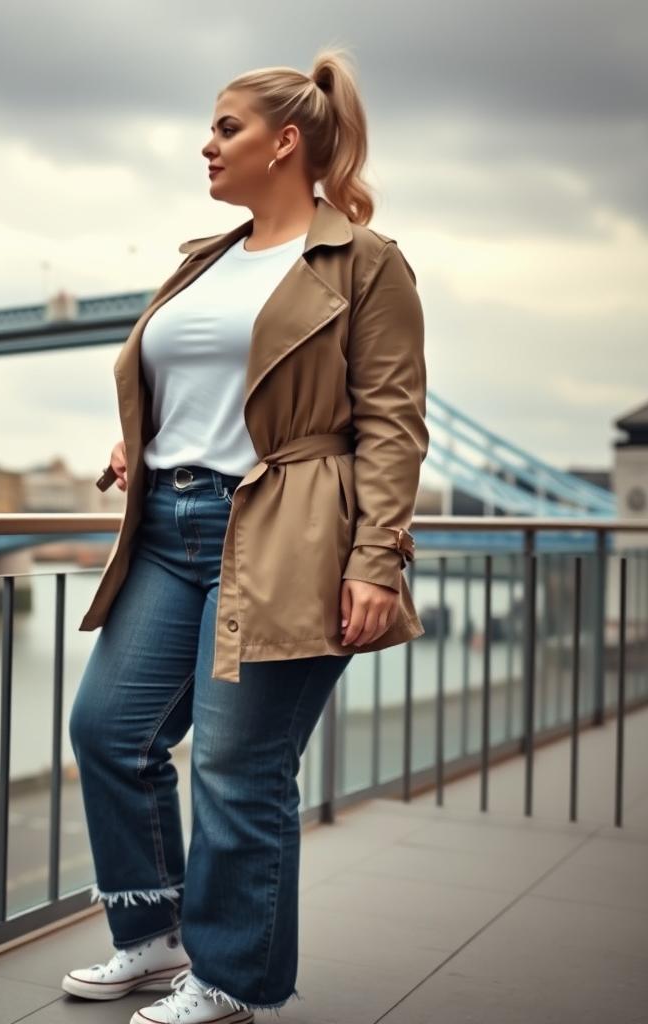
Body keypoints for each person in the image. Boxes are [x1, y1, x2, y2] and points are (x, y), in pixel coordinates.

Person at [62, 45, 429, 1024]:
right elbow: (201, 379)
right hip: (168, 522)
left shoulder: (365, 264)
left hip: (282, 529)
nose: (204, 146)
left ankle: (230, 976)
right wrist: (139, 440)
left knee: (238, 763)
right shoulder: (205, 259)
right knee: (107, 728)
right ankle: (151, 935)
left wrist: (376, 560)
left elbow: (391, 423)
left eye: (223, 129)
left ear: (284, 141)